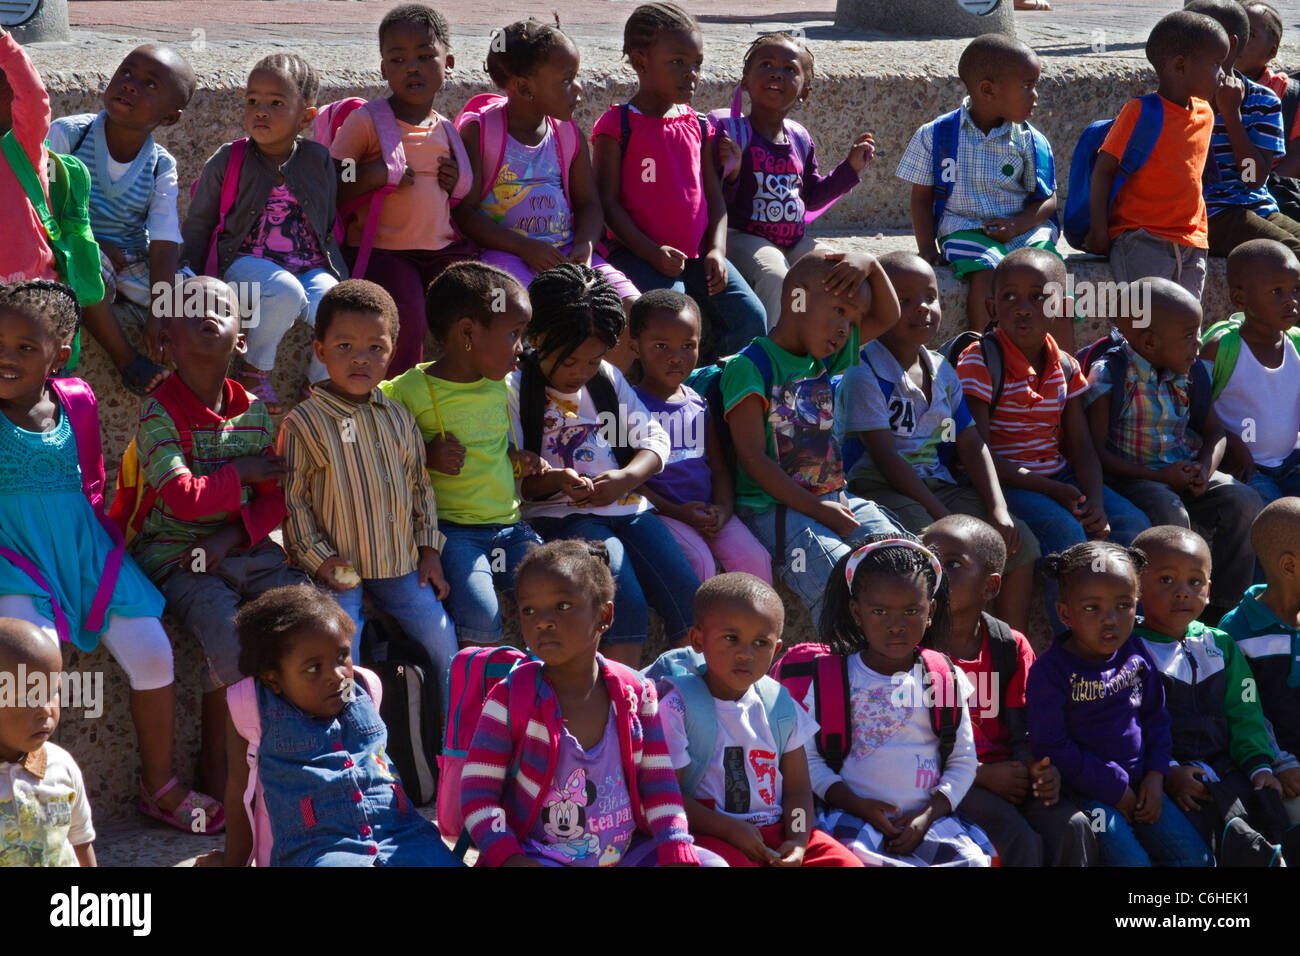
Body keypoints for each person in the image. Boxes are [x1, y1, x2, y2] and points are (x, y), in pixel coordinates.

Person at [0, 279, 221, 835]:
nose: (6, 357)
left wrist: (100, 549)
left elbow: (93, 481)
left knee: (152, 649)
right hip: (12, 555)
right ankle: (24, 792)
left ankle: (160, 785)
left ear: (62, 349)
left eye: (26, 347)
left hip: (85, 548)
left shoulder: (77, 399)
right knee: (31, 662)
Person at [129, 275, 305, 800]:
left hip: (243, 546)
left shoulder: (253, 409)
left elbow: (275, 497)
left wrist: (231, 536)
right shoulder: (157, 412)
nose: (207, 313)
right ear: (165, 342)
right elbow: (183, 498)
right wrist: (244, 472)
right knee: (229, 639)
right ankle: (230, 775)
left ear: (243, 340)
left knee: (311, 614)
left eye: (220, 308)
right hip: (176, 555)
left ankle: (309, 753)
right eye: (191, 309)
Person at [459, 539, 715, 866]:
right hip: (539, 856)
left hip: (624, 854)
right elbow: (478, 795)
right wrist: (508, 856)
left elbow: (659, 785)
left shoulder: (636, 692)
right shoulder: (510, 698)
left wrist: (675, 844)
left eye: (563, 606)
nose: (543, 621)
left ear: (604, 615)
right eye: (529, 610)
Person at [507, 264, 701, 667]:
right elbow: (517, 484)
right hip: (565, 517)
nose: (579, 373)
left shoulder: (606, 379)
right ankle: (620, 704)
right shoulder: (514, 389)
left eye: (592, 362)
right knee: (621, 599)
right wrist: (556, 481)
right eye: (568, 361)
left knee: (687, 594)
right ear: (537, 338)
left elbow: (654, 441)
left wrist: (626, 478)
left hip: (629, 508)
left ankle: (692, 694)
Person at [837, 250, 1036, 631]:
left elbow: (970, 441)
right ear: (878, 308)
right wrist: (939, 516)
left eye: (930, 297)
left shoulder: (943, 368)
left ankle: (1010, 645)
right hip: (885, 488)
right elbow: (886, 459)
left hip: (941, 486)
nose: (922, 308)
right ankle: (942, 649)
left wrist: (997, 508)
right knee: (939, 552)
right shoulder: (863, 371)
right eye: (905, 300)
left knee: (1019, 542)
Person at [956, 247, 1149, 633]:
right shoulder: (980, 360)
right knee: (1066, 535)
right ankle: (1073, 643)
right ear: (992, 306)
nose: (1023, 307)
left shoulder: (1064, 364)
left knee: (1133, 523)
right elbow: (976, 449)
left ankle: (1131, 632)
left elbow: (1080, 447)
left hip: (1058, 478)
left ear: (1060, 305)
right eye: (1009, 296)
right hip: (1005, 481)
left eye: (1037, 297)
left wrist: (1093, 497)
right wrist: (1051, 489)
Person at [278, 280, 456, 684]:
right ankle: (358, 738)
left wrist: (429, 550)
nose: (361, 359)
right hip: (338, 567)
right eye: (345, 347)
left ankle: (455, 736)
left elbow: (419, 485)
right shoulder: (304, 423)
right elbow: (293, 503)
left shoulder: (398, 416)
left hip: (399, 563)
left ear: (392, 352)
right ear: (319, 351)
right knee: (345, 651)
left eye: (376, 347)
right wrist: (320, 559)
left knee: (441, 638)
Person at [210, 584, 461, 866]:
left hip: (403, 835)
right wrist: (232, 862)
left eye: (342, 656)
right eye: (313, 668)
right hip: (322, 848)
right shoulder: (252, 707)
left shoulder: (367, 687)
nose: (337, 675)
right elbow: (239, 798)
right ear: (274, 679)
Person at [721, 249, 902, 623]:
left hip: (835, 499)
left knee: (902, 561)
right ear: (797, 298)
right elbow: (754, 460)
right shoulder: (751, 367)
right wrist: (818, 509)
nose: (845, 329)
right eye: (839, 311)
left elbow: (889, 315)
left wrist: (870, 262)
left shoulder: (824, 359)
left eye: (853, 322)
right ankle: (846, 671)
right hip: (774, 511)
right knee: (840, 585)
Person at [380, 262, 544, 648]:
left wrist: (517, 458)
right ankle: (476, 701)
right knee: (481, 613)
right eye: (514, 335)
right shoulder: (407, 389)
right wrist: (425, 455)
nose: (522, 349)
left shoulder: (501, 383)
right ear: (468, 333)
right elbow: (375, 448)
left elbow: (494, 447)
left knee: (561, 584)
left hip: (512, 527)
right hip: (452, 533)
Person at [592, 1, 766, 364]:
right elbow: (606, 204)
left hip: (698, 255)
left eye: (697, 63)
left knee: (750, 317)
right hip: (639, 254)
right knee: (671, 321)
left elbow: (715, 200)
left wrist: (717, 250)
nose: (691, 73)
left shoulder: (700, 126)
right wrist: (650, 252)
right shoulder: (618, 126)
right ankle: (664, 398)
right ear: (641, 62)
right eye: (677, 62)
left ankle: (720, 390)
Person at [806, 535, 994, 866]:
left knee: (973, 861)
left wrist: (928, 814)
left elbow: (963, 761)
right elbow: (809, 761)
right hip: (852, 816)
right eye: (879, 611)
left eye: (911, 611)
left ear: (931, 611)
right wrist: (856, 804)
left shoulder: (944, 677)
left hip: (927, 821)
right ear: (857, 612)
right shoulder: (830, 680)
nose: (896, 626)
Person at [1084, 277, 1262, 620]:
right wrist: (1159, 474)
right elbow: (1096, 453)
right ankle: (1168, 613)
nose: (1199, 343)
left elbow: (1215, 432)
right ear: (1150, 342)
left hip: (1182, 469)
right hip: (1131, 476)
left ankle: (1225, 609)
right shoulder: (1110, 376)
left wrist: (1205, 468)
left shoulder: (1191, 372)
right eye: (1189, 336)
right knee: (1172, 515)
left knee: (1246, 501)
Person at [923, 515, 1096, 866]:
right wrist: (980, 775)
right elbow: (904, 743)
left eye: (952, 564)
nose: (936, 573)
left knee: (1073, 825)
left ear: (991, 587)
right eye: (928, 562)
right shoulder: (911, 649)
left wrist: (1040, 770)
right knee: (1018, 837)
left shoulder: (1009, 646)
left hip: (1008, 773)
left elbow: (1029, 726)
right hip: (942, 779)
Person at [1027, 541, 1211, 866]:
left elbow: (1156, 718)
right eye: (1091, 608)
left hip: (1143, 786)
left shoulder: (1136, 653)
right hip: (1087, 795)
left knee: (1196, 859)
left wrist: (1156, 776)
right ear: (1064, 613)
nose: (1110, 619)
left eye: (1123, 605)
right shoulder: (1049, 673)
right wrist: (1114, 789)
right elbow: (1051, 746)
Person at [658, 572, 860, 866]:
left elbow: (798, 790)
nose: (745, 654)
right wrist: (729, 829)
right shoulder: (677, 707)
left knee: (845, 862)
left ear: (777, 649)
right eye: (731, 638)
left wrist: (799, 839)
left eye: (761, 643)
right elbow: (667, 797)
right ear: (697, 639)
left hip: (776, 829)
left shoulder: (780, 704)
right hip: (711, 832)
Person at [182, 54, 344, 414]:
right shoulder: (229, 159)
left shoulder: (318, 160)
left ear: (306, 116)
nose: (261, 111)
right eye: (253, 100)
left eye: (276, 103)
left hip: (308, 265)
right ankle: (255, 368)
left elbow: (327, 224)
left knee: (335, 303)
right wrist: (188, 275)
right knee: (285, 291)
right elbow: (199, 223)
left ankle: (318, 382)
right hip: (244, 264)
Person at [1131, 526, 1294, 865]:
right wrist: (1168, 770)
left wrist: (1260, 766)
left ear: (1209, 589)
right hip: (1167, 778)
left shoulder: (1220, 645)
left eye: (1195, 581)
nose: (1182, 592)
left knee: (1269, 828)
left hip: (1229, 768)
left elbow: (1245, 712)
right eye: (1166, 580)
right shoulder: (1130, 651)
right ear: (1135, 587)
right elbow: (1129, 724)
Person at [452, 19, 637, 314]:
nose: (579, 89)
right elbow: (465, 213)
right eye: (566, 80)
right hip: (506, 255)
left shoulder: (567, 133)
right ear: (525, 88)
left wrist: (586, 246)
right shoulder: (481, 132)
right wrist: (525, 248)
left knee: (632, 308)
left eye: (576, 76)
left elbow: (589, 204)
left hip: (565, 253)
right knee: (526, 310)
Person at [328, 4, 475, 375]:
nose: (413, 67)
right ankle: (399, 398)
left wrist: (453, 180)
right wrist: (376, 174)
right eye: (398, 59)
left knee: (481, 301)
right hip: (386, 252)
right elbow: (332, 182)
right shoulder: (368, 122)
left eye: (426, 56)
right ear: (383, 69)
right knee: (407, 311)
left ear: (449, 62)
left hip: (442, 250)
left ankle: (471, 393)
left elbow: (464, 200)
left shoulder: (447, 129)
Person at [50, 44, 196, 395]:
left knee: (201, 301)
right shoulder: (68, 135)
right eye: (126, 73)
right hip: (72, 249)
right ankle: (128, 361)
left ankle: (199, 400)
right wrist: (95, 243)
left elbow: (163, 243)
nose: (130, 84)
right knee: (83, 264)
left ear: (169, 118)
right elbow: (40, 209)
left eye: (150, 84)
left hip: (131, 258)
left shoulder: (162, 165)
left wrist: (159, 313)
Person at [896, 33, 1060, 331]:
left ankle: (1063, 364)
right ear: (987, 90)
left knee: (1049, 276)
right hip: (966, 228)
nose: (1035, 96)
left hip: (1022, 229)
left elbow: (1048, 199)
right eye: (1027, 86)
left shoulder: (1030, 141)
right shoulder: (936, 135)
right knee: (985, 271)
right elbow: (921, 197)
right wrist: (926, 248)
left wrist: (1017, 225)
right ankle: (983, 354)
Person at [714, 32, 873, 327]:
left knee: (840, 268)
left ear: (805, 92)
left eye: (790, 69)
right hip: (742, 235)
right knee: (776, 275)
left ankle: (831, 352)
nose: (777, 72)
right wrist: (733, 173)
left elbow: (811, 197)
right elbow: (714, 201)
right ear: (746, 81)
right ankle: (775, 357)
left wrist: (850, 168)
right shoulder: (731, 135)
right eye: (766, 65)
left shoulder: (799, 138)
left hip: (793, 239)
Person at [630, 290, 771, 584]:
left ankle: (761, 630)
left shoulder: (698, 402)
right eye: (661, 346)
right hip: (662, 513)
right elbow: (631, 482)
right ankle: (696, 631)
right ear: (635, 346)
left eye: (687, 346)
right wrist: (678, 512)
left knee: (755, 559)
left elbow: (718, 468)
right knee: (698, 561)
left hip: (708, 511)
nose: (676, 358)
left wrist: (723, 509)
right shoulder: (628, 405)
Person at [1085, 9, 1227, 300]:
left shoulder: (1206, 113)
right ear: (1179, 66)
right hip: (1142, 238)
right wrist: (1100, 229)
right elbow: (1104, 170)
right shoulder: (1140, 112)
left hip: (1193, 241)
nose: (1223, 73)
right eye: (1216, 64)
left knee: (1186, 325)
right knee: (1146, 325)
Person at [1183, 0, 1300, 259]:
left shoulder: (1263, 101)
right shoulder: (1179, 99)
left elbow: (1253, 178)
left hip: (1258, 207)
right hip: (1208, 214)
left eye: (1195, 39)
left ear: (1231, 45)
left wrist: (1232, 116)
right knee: (1292, 254)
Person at [1218, 498, 1300, 824]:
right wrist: (1281, 762)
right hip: (1279, 771)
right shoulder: (1235, 631)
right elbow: (1245, 708)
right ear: (1290, 566)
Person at [1201, 239, 1300, 502]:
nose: (1291, 301)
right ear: (1239, 298)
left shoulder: (1297, 344)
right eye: (1277, 292)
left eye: (1296, 290)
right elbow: (1192, 404)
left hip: (1291, 461)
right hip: (1244, 467)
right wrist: (1231, 441)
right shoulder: (1221, 347)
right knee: (1270, 511)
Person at [0, 618, 95, 866]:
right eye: (28, 696)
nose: (45, 710)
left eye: (53, 692)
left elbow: (81, 841)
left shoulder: (61, 765)